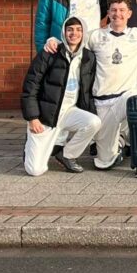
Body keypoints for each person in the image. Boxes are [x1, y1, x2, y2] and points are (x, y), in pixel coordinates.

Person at [47, 0, 137, 177]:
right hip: (101, 104)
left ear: (129, 13)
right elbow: (72, 43)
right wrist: (53, 41)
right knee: (104, 162)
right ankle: (114, 152)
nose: (117, 14)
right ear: (108, 12)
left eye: (122, 10)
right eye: (113, 10)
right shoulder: (95, 36)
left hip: (125, 97)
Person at [21, 16, 100, 176]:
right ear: (64, 32)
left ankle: (66, 155)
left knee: (93, 122)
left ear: (83, 32)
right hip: (46, 117)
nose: (74, 33)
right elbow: (30, 86)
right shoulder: (50, 52)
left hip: (68, 112)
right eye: (70, 29)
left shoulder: (88, 57)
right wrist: (32, 118)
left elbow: (88, 89)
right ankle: (32, 145)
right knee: (35, 170)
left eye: (78, 29)